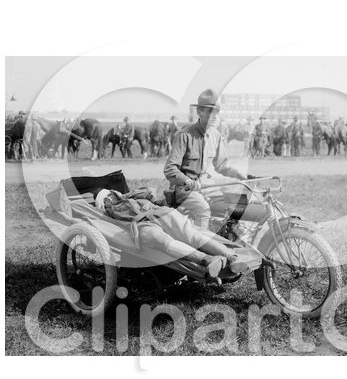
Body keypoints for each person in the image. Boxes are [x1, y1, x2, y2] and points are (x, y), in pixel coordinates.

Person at [94, 188, 249, 277]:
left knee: (192, 235)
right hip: (142, 225)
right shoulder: (108, 213)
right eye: (106, 199)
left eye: (110, 196)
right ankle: (207, 259)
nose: (110, 199)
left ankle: (232, 258)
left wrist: (126, 195)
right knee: (160, 240)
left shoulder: (131, 197)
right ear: (103, 205)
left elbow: (148, 193)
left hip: (159, 212)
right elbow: (107, 226)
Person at [164, 88, 250, 229]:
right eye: (210, 112)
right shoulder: (184, 135)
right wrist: (187, 181)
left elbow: (221, 165)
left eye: (217, 112)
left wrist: (239, 175)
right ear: (199, 112)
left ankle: (227, 240)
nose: (215, 116)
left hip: (205, 185)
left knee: (235, 203)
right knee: (202, 209)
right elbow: (169, 169)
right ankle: (200, 248)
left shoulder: (216, 136)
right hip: (182, 189)